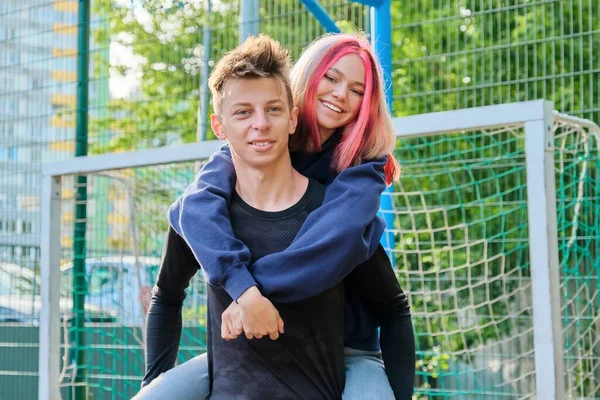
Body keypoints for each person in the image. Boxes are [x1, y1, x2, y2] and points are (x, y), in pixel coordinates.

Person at [139, 33, 415, 399]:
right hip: (249, 350)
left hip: (343, 350)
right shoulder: (255, 144)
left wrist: (247, 294)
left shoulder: (358, 172)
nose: (339, 93)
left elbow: (326, 251)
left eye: (356, 90)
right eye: (331, 78)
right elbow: (194, 207)